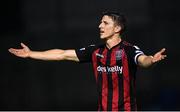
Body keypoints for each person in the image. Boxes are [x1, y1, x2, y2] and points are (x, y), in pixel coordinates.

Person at [8, 11, 166, 111]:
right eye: (100, 22)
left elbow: (142, 60)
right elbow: (62, 54)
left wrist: (152, 60)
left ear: (117, 28)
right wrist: (31, 54)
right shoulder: (95, 50)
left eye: (105, 23)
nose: (100, 26)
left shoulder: (129, 50)